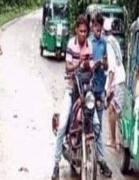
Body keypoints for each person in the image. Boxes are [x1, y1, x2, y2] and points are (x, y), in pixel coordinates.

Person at [52, 15, 93, 180]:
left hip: (84, 92)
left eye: (85, 31)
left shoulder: (90, 45)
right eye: (81, 31)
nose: (83, 34)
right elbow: (68, 66)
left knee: (95, 123)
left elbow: (90, 69)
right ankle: (55, 164)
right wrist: (78, 64)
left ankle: (99, 159)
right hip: (71, 90)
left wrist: (90, 65)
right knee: (62, 126)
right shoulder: (70, 44)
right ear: (77, 30)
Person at [88, 15, 113, 177]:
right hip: (88, 91)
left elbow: (107, 64)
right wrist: (93, 65)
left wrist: (102, 64)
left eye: (100, 27)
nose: (99, 30)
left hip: (99, 89)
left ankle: (101, 159)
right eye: (96, 26)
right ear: (92, 26)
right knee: (90, 125)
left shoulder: (104, 43)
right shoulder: (88, 42)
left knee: (98, 127)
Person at [105, 23, 126, 151]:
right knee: (116, 110)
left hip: (116, 80)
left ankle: (114, 140)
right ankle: (116, 139)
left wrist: (108, 87)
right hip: (121, 77)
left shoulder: (108, 44)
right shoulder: (115, 41)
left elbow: (112, 68)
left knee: (112, 110)